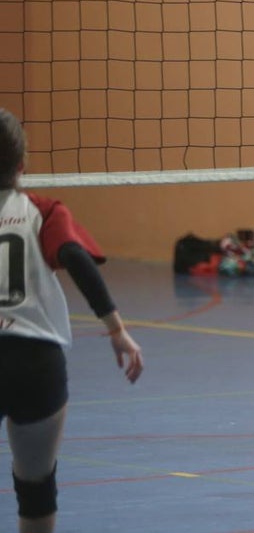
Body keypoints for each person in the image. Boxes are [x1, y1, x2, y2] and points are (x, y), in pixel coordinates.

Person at [0, 109, 144, 533]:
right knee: (36, 490)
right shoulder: (41, 211)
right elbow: (75, 258)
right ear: (22, 165)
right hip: (34, 362)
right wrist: (116, 330)